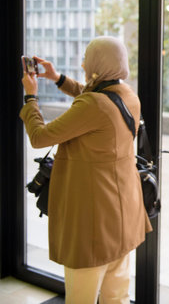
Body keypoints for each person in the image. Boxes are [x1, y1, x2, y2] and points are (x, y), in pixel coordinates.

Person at [20, 36, 152, 304]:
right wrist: (58, 78)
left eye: (86, 59)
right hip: (122, 215)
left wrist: (30, 96)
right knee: (117, 296)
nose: (82, 64)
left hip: (92, 222)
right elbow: (93, 97)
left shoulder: (94, 105)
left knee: (81, 297)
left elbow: (39, 137)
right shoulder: (127, 95)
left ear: (96, 65)